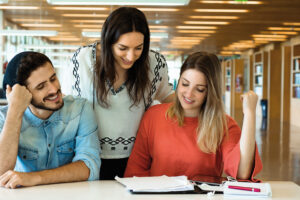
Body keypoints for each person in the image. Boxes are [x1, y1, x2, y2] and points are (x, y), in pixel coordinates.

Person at [61, 7, 174, 180]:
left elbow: (167, 97)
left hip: (137, 159)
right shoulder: (83, 59)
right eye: (123, 48)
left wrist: (202, 104)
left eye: (138, 48)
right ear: (108, 42)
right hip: (90, 158)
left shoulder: (154, 63)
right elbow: (71, 107)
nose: (131, 56)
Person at [124, 52, 263, 181]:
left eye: (199, 89)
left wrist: (250, 114)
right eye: (185, 84)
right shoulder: (153, 116)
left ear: (210, 92)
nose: (188, 94)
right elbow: (135, 172)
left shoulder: (223, 125)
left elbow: (242, 172)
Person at [0, 52, 101, 189]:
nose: (54, 89)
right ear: (22, 93)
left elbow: (90, 167)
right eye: (41, 86)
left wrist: (34, 178)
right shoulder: (4, 118)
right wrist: (15, 110)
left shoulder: (80, 109)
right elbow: (1, 173)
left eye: (53, 79)